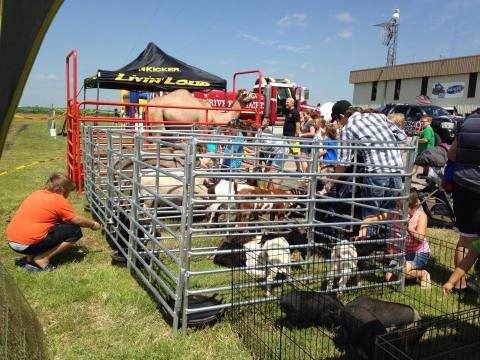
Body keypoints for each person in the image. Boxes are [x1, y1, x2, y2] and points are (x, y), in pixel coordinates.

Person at [324, 100, 407, 240]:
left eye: (338, 120)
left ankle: (365, 247)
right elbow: (402, 136)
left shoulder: (348, 128)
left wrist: (330, 182)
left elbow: (344, 162)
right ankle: (387, 246)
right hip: (395, 170)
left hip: (376, 172)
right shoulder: (378, 116)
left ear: (341, 116)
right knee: (390, 212)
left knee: (369, 214)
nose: (339, 123)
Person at [6, 172, 101, 271]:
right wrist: (93, 224)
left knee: (43, 225)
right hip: (27, 244)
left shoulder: (37, 193)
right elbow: (76, 220)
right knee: (74, 230)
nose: (68, 195)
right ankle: (43, 258)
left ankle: (30, 258)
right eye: (68, 192)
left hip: (12, 241)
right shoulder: (58, 199)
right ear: (60, 190)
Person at [443, 112, 480, 293]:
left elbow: (451, 154)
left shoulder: (467, 123)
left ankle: (459, 284)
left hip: (463, 184)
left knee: (466, 237)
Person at [386, 190, 431, 288]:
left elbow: (420, 238)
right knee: (389, 277)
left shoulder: (421, 216)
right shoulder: (395, 214)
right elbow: (379, 217)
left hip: (419, 253)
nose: (398, 210)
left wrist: (409, 228)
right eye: (397, 206)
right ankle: (409, 274)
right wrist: (365, 223)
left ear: (414, 207)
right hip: (402, 252)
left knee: (403, 271)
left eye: (402, 208)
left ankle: (423, 274)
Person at [283, 97, 302, 172]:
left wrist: (297, 133)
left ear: (292, 103)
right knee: (285, 151)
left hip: (292, 136)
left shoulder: (295, 112)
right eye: (286, 102)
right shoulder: (287, 111)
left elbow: (298, 123)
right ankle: (280, 167)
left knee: (295, 153)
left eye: (287, 102)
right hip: (286, 135)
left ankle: (299, 169)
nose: (286, 103)